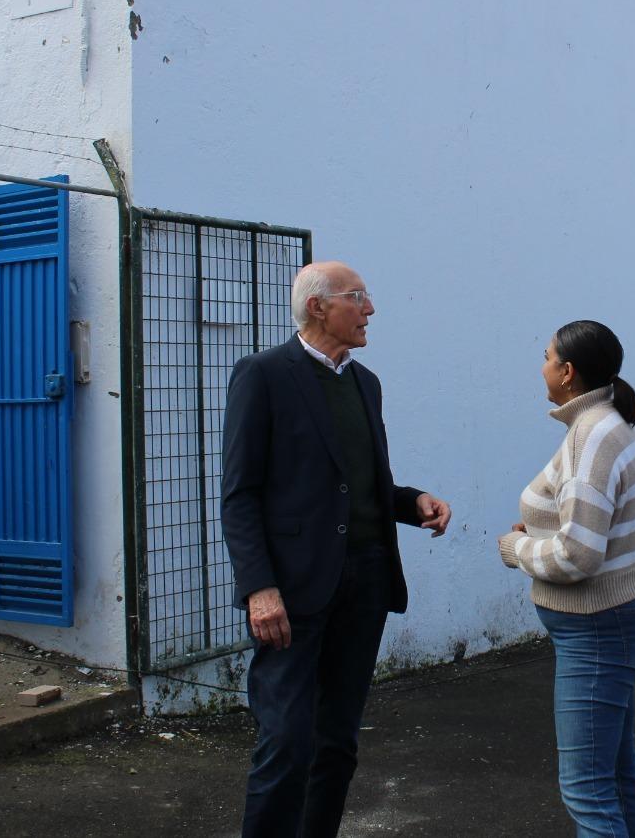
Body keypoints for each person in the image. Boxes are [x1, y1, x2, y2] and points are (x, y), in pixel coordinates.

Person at [221, 260, 453, 838]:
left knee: (337, 744)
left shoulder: (364, 383)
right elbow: (241, 494)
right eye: (359, 297)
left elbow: (360, 482)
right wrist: (258, 586)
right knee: (286, 743)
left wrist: (411, 500)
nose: (370, 309)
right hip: (292, 592)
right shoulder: (264, 374)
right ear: (319, 306)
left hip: (366, 580)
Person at [498, 320, 635, 837]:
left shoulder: (592, 439)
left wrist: (518, 548)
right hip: (613, 622)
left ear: (567, 373)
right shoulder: (603, 424)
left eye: (546, 356)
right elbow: (587, 520)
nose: (540, 365)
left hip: (596, 630)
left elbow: (579, 556)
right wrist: (542, 525)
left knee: (586, 790)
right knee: (615, 775)